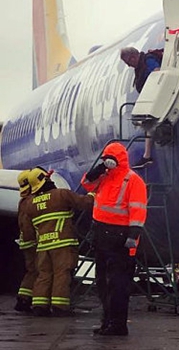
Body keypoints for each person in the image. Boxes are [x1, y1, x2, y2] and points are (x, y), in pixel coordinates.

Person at [82, 141, 147, 337]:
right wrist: (98, 169)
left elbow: (138, 210)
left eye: (109, 159)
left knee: (118, 284)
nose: (106, 163)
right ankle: (107, 321)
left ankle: (118, 325)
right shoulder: (104, 177)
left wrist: (133, 236)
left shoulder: (133, 180)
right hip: (102, 236)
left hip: (121, 239)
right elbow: (86, 184)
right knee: (102, 282)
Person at [16, 166, 93, 317]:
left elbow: (28, 229)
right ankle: (59, 306)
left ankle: (39, 305)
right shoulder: (61, 195)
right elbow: (85, 203)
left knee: (43, 275)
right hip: (62, 243)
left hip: (43, 247)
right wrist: (94, 193)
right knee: (61, 274)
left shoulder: (31, 204)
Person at [120, 46, 163, 166]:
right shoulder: (140, 66)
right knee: (146, 124)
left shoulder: (148, 60)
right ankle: (147, 155)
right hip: (154, 100)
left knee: (148, 123)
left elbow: (158, 72)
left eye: (128, 62)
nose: (129, 66)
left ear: (133, 58)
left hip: (159, 99)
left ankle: (147, 155)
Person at [14, 170, 38, 312]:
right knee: (37, 271)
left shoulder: (23, 201)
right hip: (32, 243)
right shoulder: (31, 201)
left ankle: (23, 297)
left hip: (25, 242)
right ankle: (26, 300)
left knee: (31, 271)